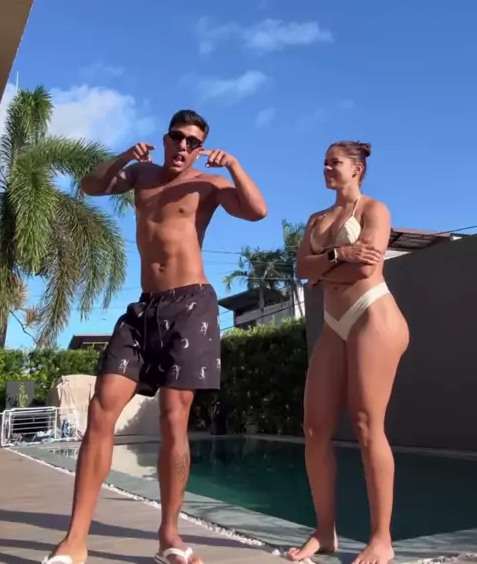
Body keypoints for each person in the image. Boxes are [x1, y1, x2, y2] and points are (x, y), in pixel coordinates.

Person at [44, 109, 267, 564]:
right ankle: (75, 540)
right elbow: (90, 186)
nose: (183, 146)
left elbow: (257, 211)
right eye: (177, 137)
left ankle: (169, 536)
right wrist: (124, 156)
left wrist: (234, 166)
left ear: (200, 148)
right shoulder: (141, 175)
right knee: (101, 408)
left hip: (192, 304)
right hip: (144, 307)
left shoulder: (208, 184)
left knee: (173, 416)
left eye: (193, 142)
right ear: (165, 140)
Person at [287, 141, 409, 564]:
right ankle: (325, 532)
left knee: (365, 423)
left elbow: (367, 266)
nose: (326, 168)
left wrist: (322, 266)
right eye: (324, 162)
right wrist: (339, 253)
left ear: (356, 168)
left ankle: (381, 539)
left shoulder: (374, 210)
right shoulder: (316, 219)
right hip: (334, 324)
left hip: (373, 314)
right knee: (315, 428)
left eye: (334, 162)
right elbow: (302, 269)